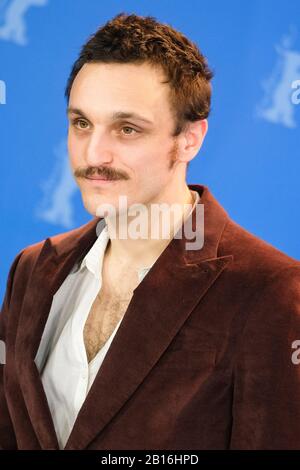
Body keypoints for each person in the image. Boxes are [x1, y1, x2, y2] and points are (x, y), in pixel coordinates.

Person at [1, 12, 300, 451]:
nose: (93, 153)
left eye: (127, 128)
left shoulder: (270, 292)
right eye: (81, 123)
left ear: (190, 139)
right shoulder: (32, 268)